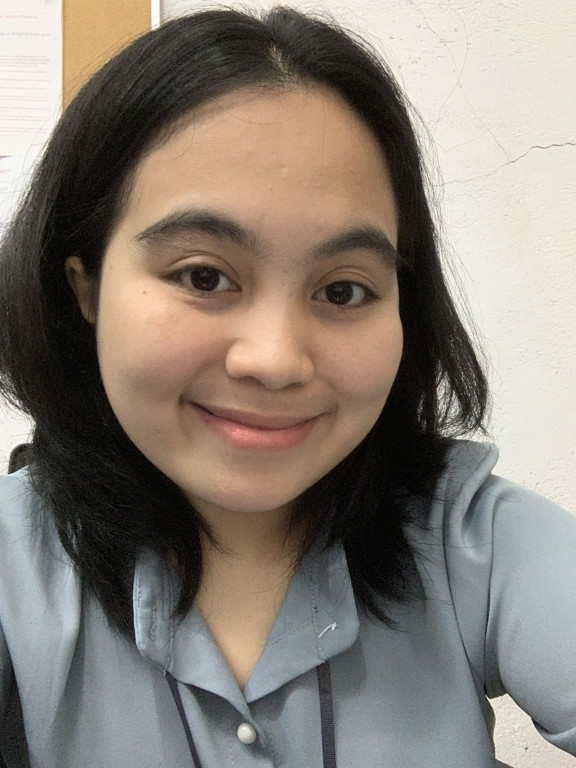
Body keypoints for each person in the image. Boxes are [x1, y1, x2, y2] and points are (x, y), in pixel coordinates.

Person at [0, 7, 574, 767]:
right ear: (87, 288)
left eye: (342, 291)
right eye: (203, 276)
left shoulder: (476, 543)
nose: (275, 360)